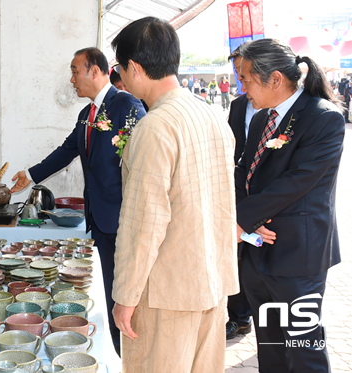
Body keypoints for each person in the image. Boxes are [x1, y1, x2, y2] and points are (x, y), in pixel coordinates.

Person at [110, 17, 238, 372]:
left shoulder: (155, 126)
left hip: (167, 291)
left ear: (134, 68)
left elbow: (143, 223)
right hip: (211, 282)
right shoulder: (211, 115)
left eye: (120, 68)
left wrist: (125, 296)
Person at [11, 47, 146, 354]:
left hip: (122, 217)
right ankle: (112, 348)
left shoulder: (126, 104)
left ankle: (124, 350)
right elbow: (66, 150)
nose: (71, 79)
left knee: (121, 289)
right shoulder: (86, 114)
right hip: (97, 218)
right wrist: (30, 175)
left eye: (75, 71)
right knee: (108, 284)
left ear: (95, 71)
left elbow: (143, 159)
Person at [236, 38, 344, 373]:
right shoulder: (260, 118)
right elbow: (244, 174)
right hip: (258, 251)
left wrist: (239, 220)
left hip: (298, 256)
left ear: (275, 80)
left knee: (304, 349)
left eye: (247, 79)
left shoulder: (323, 119)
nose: (242, 87)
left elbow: (296, 182)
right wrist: (240, 219)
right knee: (270, 347)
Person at [225, 46, 258, 340]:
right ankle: (239, 317)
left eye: (244, 73)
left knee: (261, 261)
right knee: (236, 257)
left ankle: (265, 322)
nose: (239, 79)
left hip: (271, 204)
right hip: (239, 195)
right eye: (237, 73)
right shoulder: (237, 106)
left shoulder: (298, 114)